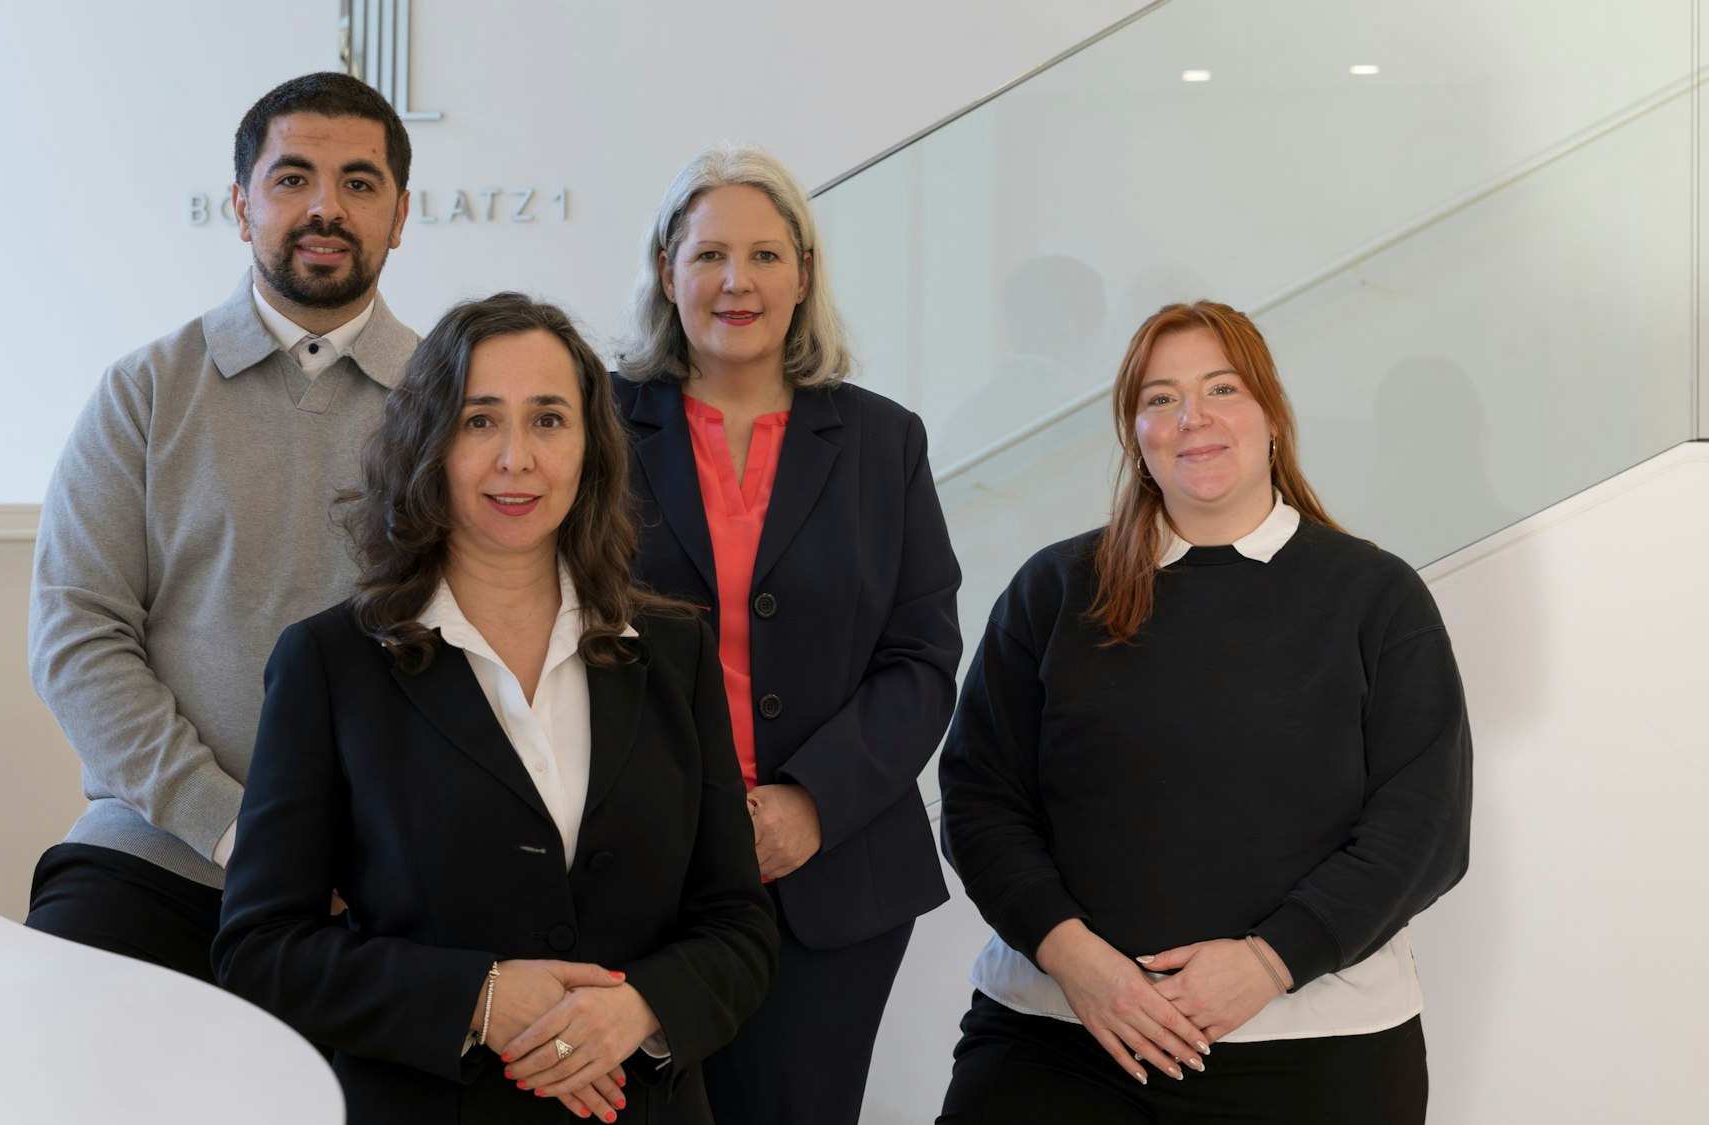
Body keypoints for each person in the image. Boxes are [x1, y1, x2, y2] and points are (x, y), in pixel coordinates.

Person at [213, 293, 777, 1123]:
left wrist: (637, 1010)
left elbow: (739, 924)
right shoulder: (330, 664)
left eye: (549, 420)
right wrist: (478, 998)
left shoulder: (673, 651)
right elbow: (262, 949)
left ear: (590, 446)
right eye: (480, 421)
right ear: (430, 443)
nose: (516, 457)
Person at [937, 301, 1472, 1124]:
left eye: (1221, 388)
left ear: (1270, 412)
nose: (1193, 418)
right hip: (1062, 1039)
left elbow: (1424, 829)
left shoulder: (1375, 596)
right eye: (1160, 398)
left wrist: (1269, 960)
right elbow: (979, 799)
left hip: (1317, 1052)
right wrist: (1078, 962)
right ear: (1135, 432)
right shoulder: (1053, 589)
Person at [23, 72, 419, 980]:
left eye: (359, 183)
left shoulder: (455, 403)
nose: (326, 207)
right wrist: (233, 826)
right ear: (242, 207)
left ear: (400, 214)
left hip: (385, 871)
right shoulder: (145, 393)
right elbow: (76, 639)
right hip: (160, 851)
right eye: (292, 179)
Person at [613, 143, 963, 1125]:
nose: (737, 281)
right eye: (709, 254)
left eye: (766, 255)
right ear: (665, 269)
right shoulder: (592, 428)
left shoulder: (881, 440)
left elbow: (921, 657)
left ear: (803, 274)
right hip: (637, 873)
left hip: (829, 877)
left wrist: (811, 799)